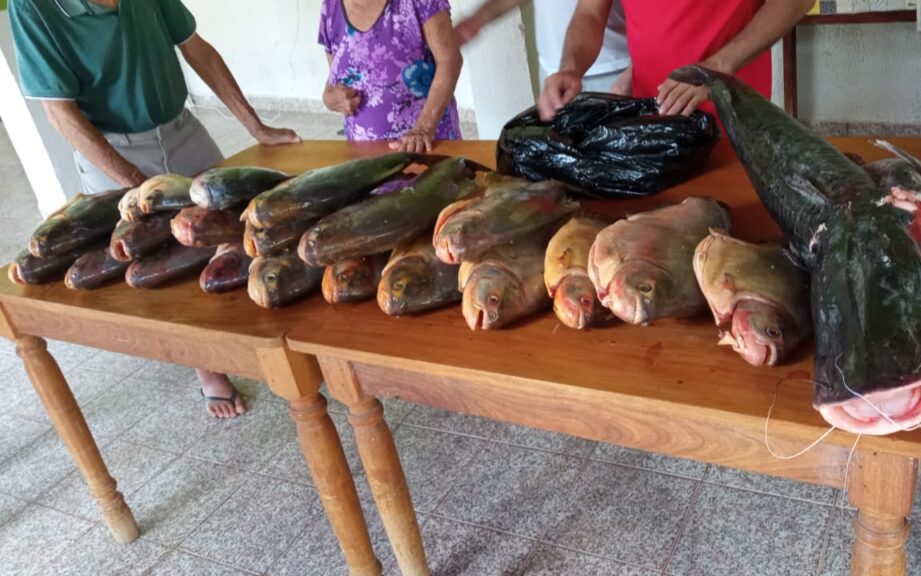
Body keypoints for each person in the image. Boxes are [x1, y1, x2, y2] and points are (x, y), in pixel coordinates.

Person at [8, 0, 302, 418]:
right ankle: (208, 368)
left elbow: (196, 47)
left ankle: (261, 344)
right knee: (162, 264)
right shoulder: (34, 7)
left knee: (233, 230)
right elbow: (59, 111)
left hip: (181, 128)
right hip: (111, 149)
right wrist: (133, 181)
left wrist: (256, 126)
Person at [455, 0, 815, 120]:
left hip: (733, 115)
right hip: (649, 113)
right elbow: (590, 15)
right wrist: (571, 66)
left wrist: (719, 67)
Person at [319, 0, 462, 152]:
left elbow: (450, 61)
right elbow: (336, 73)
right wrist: (328, 96)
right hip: (364, 157)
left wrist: (423, 128)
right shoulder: (331, 5)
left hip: (427, 148)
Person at [533, 0, 631, 95]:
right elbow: (588, 12)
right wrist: (568, 70)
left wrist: (633, 71)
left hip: (615, 67)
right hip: (555, 65)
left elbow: (591, 13)